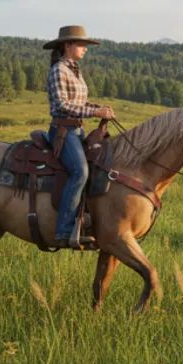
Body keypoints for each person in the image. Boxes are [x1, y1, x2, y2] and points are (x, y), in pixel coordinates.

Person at [43, 25, 115, 249]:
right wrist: (95, 112)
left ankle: (86, 220)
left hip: (78, 130)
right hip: (63, 131)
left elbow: (79, 103)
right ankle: (64, 230)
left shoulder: (74, 69)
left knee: (97, 166)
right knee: (79, 171)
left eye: (85, 45)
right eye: (81, 45)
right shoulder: (58, 71)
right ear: (67, 46)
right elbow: (64, 105)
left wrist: (99, 108)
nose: (85, 49)